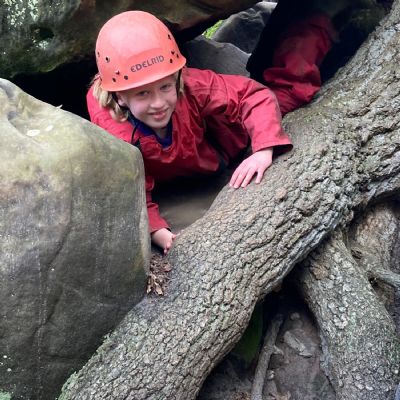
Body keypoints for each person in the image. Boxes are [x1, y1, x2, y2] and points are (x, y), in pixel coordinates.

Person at [87, 10, 293, 254]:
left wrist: (263, 149)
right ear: (120, 97)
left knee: (288, 97)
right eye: (142, 93)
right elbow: (128, 185)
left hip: (221, 151)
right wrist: (159, 232)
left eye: (165, 87)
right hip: (173, 180)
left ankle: (313, 26)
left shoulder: (191, 86)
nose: (158, 103)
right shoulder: (112, 126)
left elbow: (253, 95)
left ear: (176, 78)